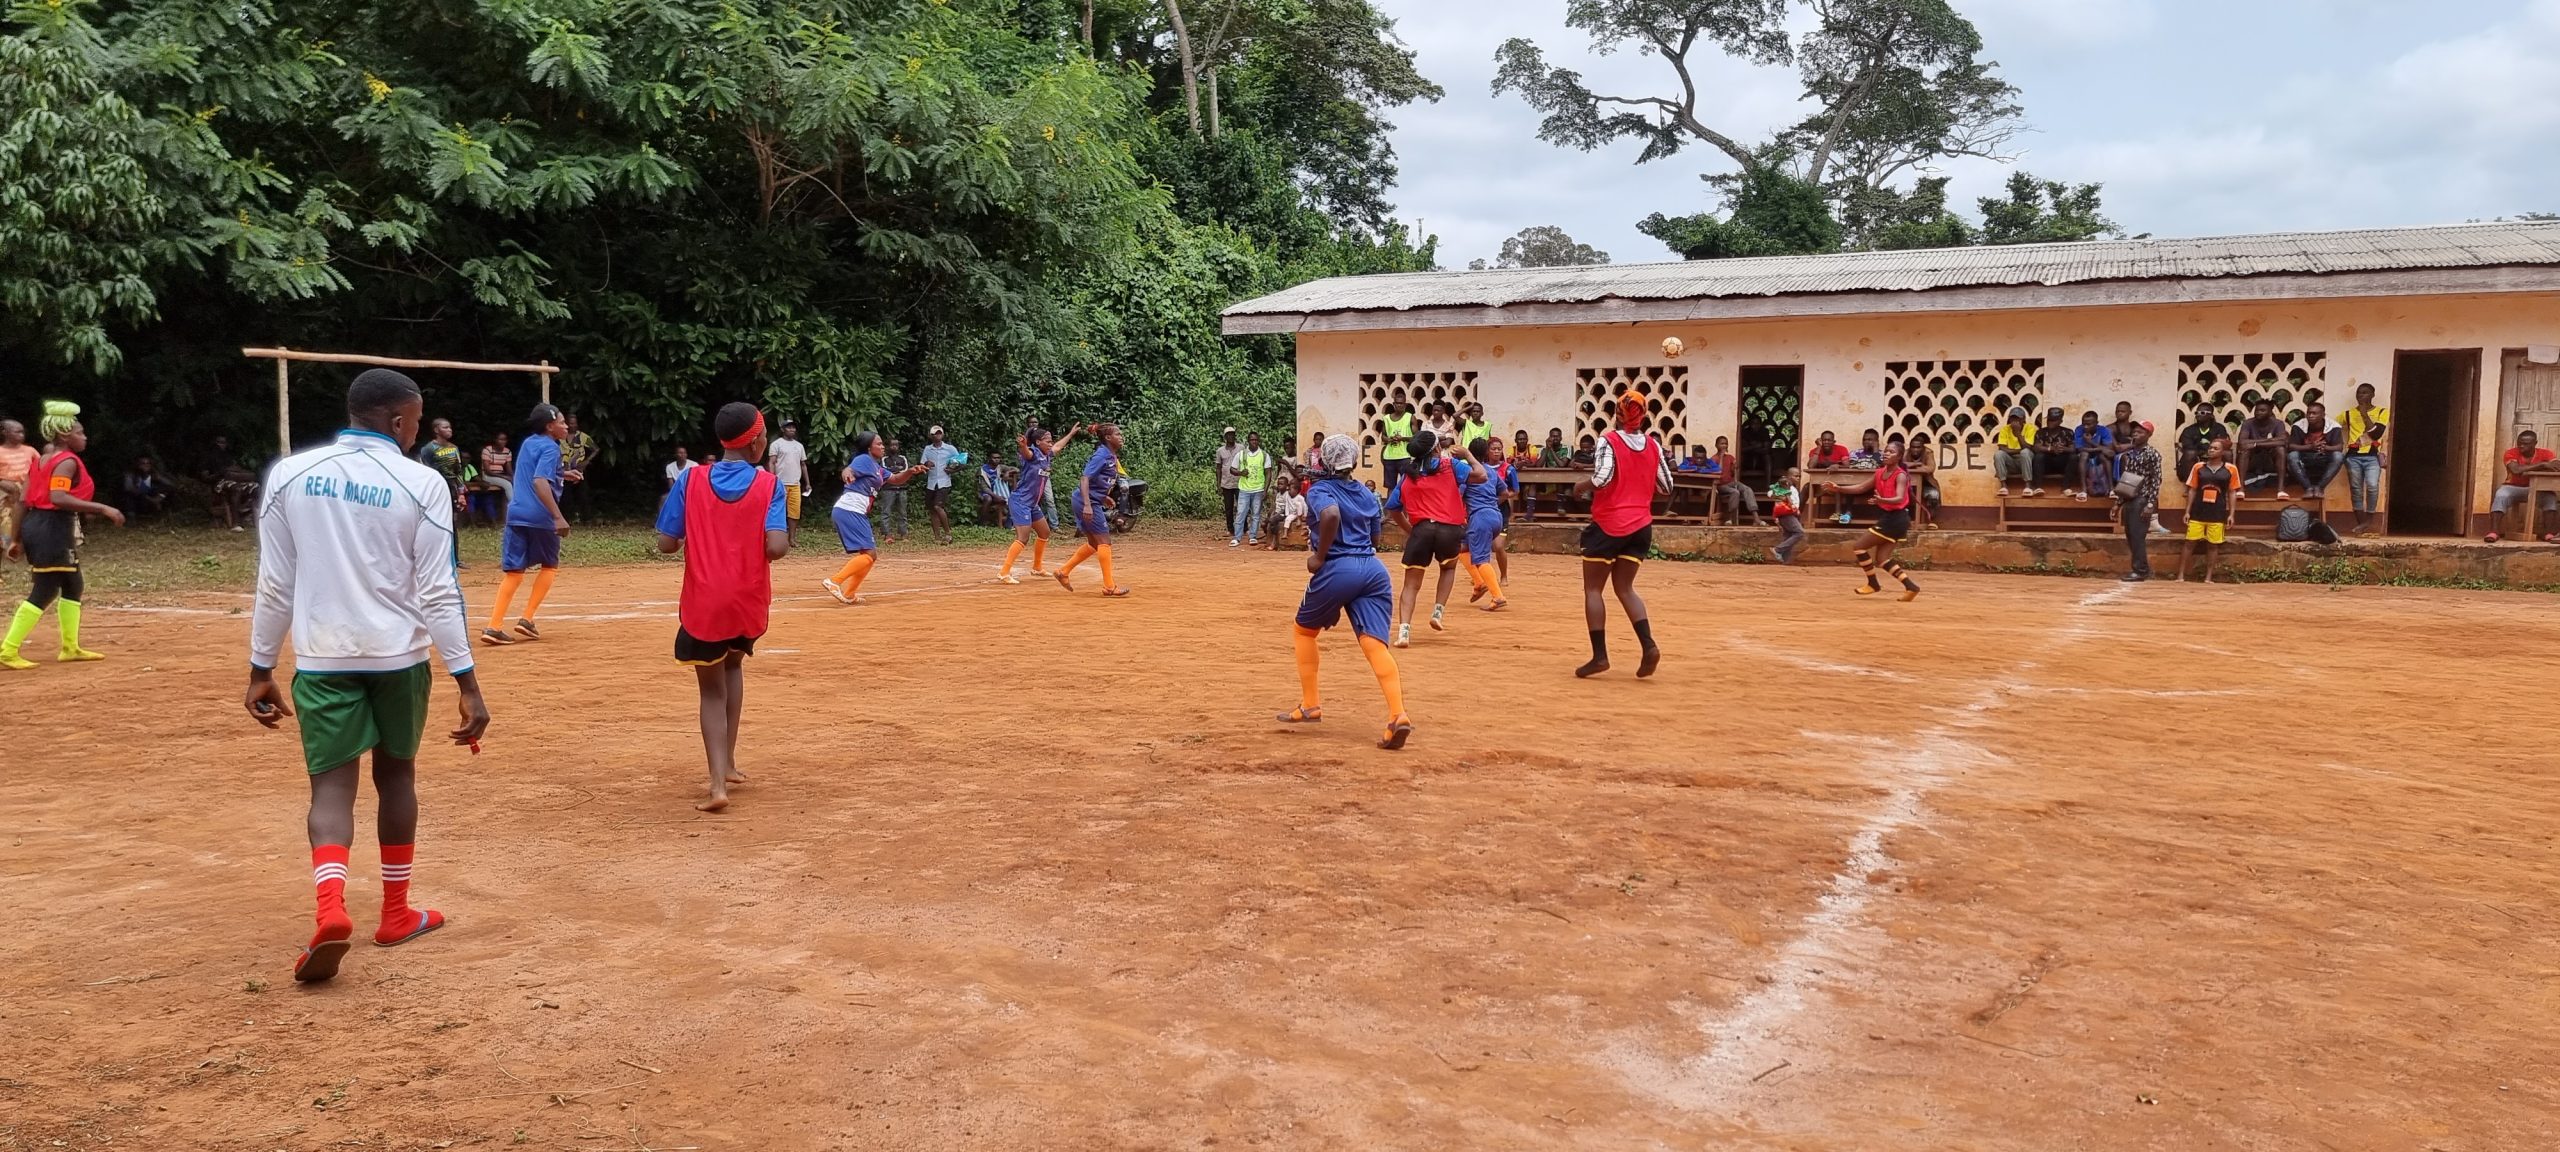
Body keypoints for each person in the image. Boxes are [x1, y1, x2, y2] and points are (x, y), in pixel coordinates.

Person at [243, 369, 488, 982]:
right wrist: (467, 680)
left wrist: (260, 667)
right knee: (396, 774)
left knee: (330, 789)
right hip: (398, 659)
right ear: (401, 420)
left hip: (324, 657)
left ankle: (330, 909)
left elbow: (276, 583)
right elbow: (437, 589)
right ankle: (397, 914)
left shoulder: (289, 476)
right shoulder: (421, 481)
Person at [655, 402, 789, 813]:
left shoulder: (692, 479)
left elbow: (666, 542)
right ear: (757, 444)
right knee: (734, 666)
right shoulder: (769, 485)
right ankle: (729, 763)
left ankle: (717, 784)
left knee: (710, 690)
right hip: (746, 602)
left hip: (704, 603)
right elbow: (777, 546)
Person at [1276, 433, 1411, 750]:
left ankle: (1311, 704)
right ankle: (1398, 715)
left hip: (1339, 566)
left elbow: (1331, 514)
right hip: (1374, 570)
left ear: (1323, 461)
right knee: (1374, 645)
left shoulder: (1321, 490)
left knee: (1304, 632)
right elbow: (1376, 536)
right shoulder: (1366, 493)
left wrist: (1320, 557)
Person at [1, 400, 124, 669]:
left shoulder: (42, 459)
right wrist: (104, 508)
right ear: (65, 435)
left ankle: (70, 648)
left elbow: (22, 500)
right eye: (80, 432)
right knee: (44, 590)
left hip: (41, 525)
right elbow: (58, 498)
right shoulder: (67, 462)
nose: (85, 437)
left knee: (72, 584)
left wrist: (17, 538)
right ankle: (7, 650)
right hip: (52, 528)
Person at [1572, 393, 1671, 677]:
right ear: (1644, 415)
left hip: (1609, 523)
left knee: (1593, 590)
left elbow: (1602, 478)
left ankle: (1600, 656)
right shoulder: (1653, 444)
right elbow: (1666, 485)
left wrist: (1581, 486)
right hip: (1641, 525)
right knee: (1625, 588)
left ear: (1618, 413)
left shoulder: (1609, 440)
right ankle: (1648, 645)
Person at [480, 404, 572, 646]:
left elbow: (533, 471)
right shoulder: (551, 448)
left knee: (514, 572)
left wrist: (563, 475)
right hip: (541, 517)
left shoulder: (530, 442)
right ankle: (527, 619)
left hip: (517, 513)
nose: (566, 425)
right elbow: (540, 481)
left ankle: (494, 626)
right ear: (550, 426)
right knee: (550, 565)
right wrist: (557, 516)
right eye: (561, 422)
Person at [1384, 429, 1470, 646]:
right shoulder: (1449, 466)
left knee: (1411, 584)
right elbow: (1481, 475)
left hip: (1421, 530)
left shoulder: (1407, 476)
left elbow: (1393, 508)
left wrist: (1409, 529)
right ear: (1437, 449)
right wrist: (1469, 456)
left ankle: (1404, 631)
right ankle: (1438, 612)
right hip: (1449, 529)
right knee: (1448, 568)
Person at [825, 432, 928, 605]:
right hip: (850, 509)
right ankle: (834, 581)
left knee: (870, 555)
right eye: (879, 444)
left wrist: (910, 471)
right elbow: (849, 469)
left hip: (854, 511)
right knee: (870, 555)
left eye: (882, 444)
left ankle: (849, 593)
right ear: (868, 447)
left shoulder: (876, 467)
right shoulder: (864, 459)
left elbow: (895, 479)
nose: (882, 447)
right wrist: (846, 473)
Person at [1822, 436, 1922, 601]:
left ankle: (1873, 583)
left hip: (1896, 518)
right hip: (1891, 517)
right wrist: (1838, 488)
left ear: (1898, 457)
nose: (1886, 454)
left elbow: (1898, 498)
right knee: (1882, 559)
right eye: (1886, 451)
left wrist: (1881, 500)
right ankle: (1911, 587)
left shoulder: (1900, 475)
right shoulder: (1880, 472)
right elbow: (1861, 487)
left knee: (1859, 547)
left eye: (1891, 452)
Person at [1053, 423, 1129, 596]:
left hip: (1090, 501)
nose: (1121, 436)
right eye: (1117, 434)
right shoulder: (1102, 455)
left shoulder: (1110, 456)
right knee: (1104, 542)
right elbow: (1085, 479)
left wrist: (1103, 497)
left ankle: (1063, 572)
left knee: (1095, 544)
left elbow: (1098, 482)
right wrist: (1088, 504)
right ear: (1108, 438)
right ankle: (1109, 586)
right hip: (1085, 502)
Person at [999, 422, 1079, 582]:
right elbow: (1026, 453)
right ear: (1038, 442)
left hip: (1032, 503)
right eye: (1047, 441)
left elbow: (1057, 447)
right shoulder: (1034, 454)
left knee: (1044, 532)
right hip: (1020, 501)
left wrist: (1070, 434)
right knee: (1023, 537)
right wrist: (1022, 445)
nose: (1051, 444)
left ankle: (1037, 568)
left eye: (1051, 441)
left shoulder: (1047, 455)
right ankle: (1004, 572)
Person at [2175, 438, 2240, 582]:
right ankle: (2180, 575)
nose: (2211, 450)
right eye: (2210, 448)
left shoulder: (2231, 469)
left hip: (2217, 512)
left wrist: (2231, 514)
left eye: (2215, 448)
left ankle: (2208, 576)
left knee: (2213, 545)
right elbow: (2192, 489)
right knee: (2189, 542)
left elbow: (2232, 492)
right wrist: (2187, 511)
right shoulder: (2199, 467)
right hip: (2198, 511)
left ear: (2223, 452)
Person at [2487, 429, 2560, 544]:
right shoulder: (2511, 453)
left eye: (2526, 444)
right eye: (2519, 443)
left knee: (2550, 497)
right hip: (2513, 487)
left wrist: (2531, 467)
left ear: (2535, 443)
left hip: (2538, 489)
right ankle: (2494, 531)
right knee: (2501, 494)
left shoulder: (2546, 453)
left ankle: (2548, 533)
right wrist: (2543, 464)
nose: (2521, 446)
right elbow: (2516, 470)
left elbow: (2557, 466)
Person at [1461, 438, 1509, 612]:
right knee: (1462, 548)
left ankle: (1498, 596)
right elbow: (1504, 492)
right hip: (1496, 516)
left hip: (1479, 518)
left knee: (1481, 559)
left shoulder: (1467, 472)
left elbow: (1458, 496)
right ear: (1486, 453)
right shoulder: (1491, 471)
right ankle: (1479, 583)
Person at [2116, 423, 2164, 582]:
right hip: (2129, 498)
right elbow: (2126, 482)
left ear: (2148, 435)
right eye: (2134, 432)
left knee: (2137, 535)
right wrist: (2118, 503)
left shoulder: (2152, 454)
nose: (2135, 434)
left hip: (2142, 499)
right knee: (2130, 535)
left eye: (2140, 432)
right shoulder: (2129, 455)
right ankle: (2140, 568)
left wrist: (2151, 504)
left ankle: (2141, 570)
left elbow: (2156, 481)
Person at [2342, 383, 2390, 537]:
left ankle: (2369, 519)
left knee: (2372, 485)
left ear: (2372, 395)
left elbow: (2376, 434)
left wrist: (2364, 414)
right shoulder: (2348, 414)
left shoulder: (2382, 412)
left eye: (2365, 393)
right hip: (2353, 457)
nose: (2361, 396)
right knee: (2356, 489)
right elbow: (2331, 426)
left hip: (2372, 457)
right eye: (2359, 393)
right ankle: (2361, 523)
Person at [202, 434, 261, 532]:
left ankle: (258, 520)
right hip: (219, 483)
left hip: (237, 480)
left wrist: (239, 472)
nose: (221, 445)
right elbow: (205, 477)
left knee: (256, 487)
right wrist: (220, 474)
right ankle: (235, 523)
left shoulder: (228, 455)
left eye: (223, 442)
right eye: (219, 442)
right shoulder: (208, 457)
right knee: (236, 489)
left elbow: (237, 468)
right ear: (214, 443)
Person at [0, 418, 40, 559]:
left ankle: (21, 547)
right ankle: (7, 546)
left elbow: (40, 468)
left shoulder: (30, 450)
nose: (21, 435)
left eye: (23, 432)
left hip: (26, 490)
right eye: (17, 432)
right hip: (5, 491)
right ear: (4, 432)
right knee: (6, 520)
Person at [2288, 401, 2344, 500]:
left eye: (2314, 413)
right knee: (2292, 456)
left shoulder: (2333, 426)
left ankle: (2319, 488)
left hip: (2324, 458)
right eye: (2309, 413)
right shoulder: (2299, 426)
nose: (2310, 416)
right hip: (2304, 458)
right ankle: (2308, 488)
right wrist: (2310, 447)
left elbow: (2339, 447)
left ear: (2323, 415)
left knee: (2339, 456)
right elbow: (2291, 446)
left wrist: (2326, 448)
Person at [764, 419, 807, 540]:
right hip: (780, 484)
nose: (792, 429)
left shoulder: (799, 446)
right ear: (782, 429)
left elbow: (803, 465)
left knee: (794, 513)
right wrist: (773, 479)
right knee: (778, 512)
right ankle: (779, 538)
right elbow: (771, 462)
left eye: (793, 427)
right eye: (789, 427)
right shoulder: (776, 444)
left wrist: (807, 483)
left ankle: (792, 538)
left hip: (795, 484)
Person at [2237, 400, 2290, 498]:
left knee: (2280, 450)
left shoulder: (2278, 424)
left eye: (2262, 410)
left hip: (2270, 460)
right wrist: (2270, 441)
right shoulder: (2248, 423)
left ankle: (2281, 490)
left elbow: (2283, 441)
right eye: (2256, 410)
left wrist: (2256, 444)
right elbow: (2242, 442)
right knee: (2244, 451)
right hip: (2253, 459)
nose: (2258, 412)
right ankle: (2241, 489)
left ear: (2270, 412)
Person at [918, 425, 961, 545]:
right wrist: (927, 464)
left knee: (938, 506)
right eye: (935, 434)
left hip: (944, 481)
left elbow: (961, 462)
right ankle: (937, 536)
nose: (938, 435)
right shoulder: (928, 449)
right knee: (932, 509)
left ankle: (948, 533)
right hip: (931, 482)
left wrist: (952, 471)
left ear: (942, 434)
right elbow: (922, 464)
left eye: (939, 433)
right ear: (931, 436)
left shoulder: (950, 448)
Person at [1991, 406, 2041, 496]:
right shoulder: (2005, 429)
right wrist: (2018, 451)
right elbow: (2002, 448)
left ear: (2023, 419)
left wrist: (2018, 433)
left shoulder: (2030, 428)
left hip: (2026, 462)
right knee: (1998, 454)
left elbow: (2028, 447)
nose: (2014, 421)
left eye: (2017, 418)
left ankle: (2028, 486)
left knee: (2025, 452)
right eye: (2012, 418)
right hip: (2011, 461)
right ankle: (2003, 486)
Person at [560, 414, 598, 523]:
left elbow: (595, 449)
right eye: (571, 423)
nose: (573, 425)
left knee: (583, 494)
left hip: (579, 469)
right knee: (565, 495)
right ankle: (567, 518)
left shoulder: (582, 437)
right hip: (565, 470)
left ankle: (586, 518)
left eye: (575, 423)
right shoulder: (561, 437)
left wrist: (586, 461)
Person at [2177, 401, 2229, 477]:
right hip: (2196, 456)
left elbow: (2222, 445)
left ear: (2211, 415)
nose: (2198, 415)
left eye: (2202, 413)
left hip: (2215, 456)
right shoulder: (2189, 430)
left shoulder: (2219, 428)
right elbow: (2188, 447)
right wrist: (2206, 447)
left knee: (2228, 454)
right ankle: (2190, 485)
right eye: (2196, 412)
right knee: (2190, 453)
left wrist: (2203, 447)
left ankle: (2226, 482)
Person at [2071, 410, 2115, 501]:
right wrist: (2100, 448)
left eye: (2089, 424)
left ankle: (2111, 489)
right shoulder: (2079, 429)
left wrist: (2090, 442)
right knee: (2084, 455)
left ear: (2096, 423)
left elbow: (2109, 451)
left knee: (2105, 457)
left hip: (2099, 456)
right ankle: (2083, 490)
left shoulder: (2104, 430)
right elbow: (2080, 449)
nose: (2086, 427)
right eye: (2084, 424)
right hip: (2085, 455)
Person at [1768, 468, 1807, 565]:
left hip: (1791, 514)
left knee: (1788, 536)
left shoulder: (1792, 488)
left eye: (1799, 476)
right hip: (1787, 514)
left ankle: (1785, 562)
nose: (1798, 478)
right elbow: (1771, 494)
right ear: (1789, 476)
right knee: (1799, 532)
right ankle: (1778, 550)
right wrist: (1776, 516)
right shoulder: (1784, 487)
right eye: (1795, 476)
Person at [879, 436, 913, 542]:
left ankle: (903, 534)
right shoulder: (884, 459)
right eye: (892, 444)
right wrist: (898, 470)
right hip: (888, 489)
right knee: (886, 512)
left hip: (902, 488)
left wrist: (895, 471)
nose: (894, 446)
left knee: (902, 512)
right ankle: (887, 534)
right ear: (888, 446)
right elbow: (885, 471)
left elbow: (906, 470)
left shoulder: (903, 458)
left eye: (896, 445)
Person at [1379, 401, 1415, 493]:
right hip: (1389, 457)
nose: (1399, 405)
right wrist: (1389, 439)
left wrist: (1402, 438)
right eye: (1397, 403)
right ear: (1393, 404)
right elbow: (1383, 436)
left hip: (1405, 456)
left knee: (1407, 485)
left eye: (1401, 403)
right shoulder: (1386, 418)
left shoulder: (1410, 417)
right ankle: (1390, 507)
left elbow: (1416, 437)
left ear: (1405, 405)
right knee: (1390, 487)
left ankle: (1406, 507)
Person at [1216, 426, 1245, 536]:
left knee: (1242, 506)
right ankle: (1230, 528)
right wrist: (1218, 484)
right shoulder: (1220, 451)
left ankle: (1243, 527)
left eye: (1232, 434)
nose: (1231, 436)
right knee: (1228, 508)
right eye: (1228, 435)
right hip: (1226, 482)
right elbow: (1218, 468)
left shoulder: (1241, 448)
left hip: (1239, 482)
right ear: (1225, 437)